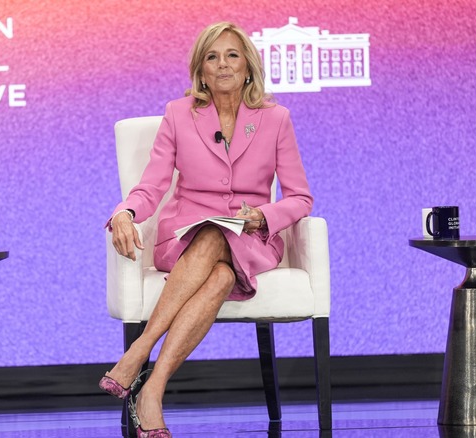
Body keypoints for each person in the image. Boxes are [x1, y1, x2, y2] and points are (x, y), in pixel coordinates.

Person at [99, 21, 313, 437]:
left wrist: (262, 217)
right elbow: (152, 184)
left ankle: (140, 359)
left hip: (250, 238)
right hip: (183, 239)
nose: (223, 65)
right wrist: (124, 212)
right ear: (200, 70)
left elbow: (301, 198)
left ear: (248, 66)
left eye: (232, 55)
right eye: (212, 58)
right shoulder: (179, 114)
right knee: (216, 260)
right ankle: (152, 389)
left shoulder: (276, 119)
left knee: (221, 256)